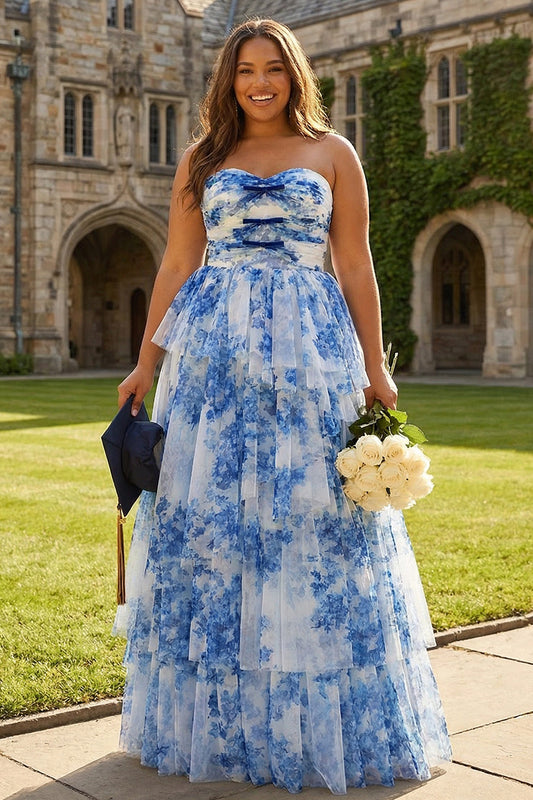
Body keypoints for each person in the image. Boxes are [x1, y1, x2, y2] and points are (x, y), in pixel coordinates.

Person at [114, 18, 451, 794]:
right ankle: (225, 731)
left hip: (311, 352)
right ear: (227, 81)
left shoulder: (333, 153)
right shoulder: (202, 158)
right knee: (214, 523)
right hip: (214, 358)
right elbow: (177, 260)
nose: (259, 82)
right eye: (244, 70)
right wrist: (146, 360)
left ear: (294, 75)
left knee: (314, 516)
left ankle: (320, 725)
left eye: (272, 68)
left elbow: (354, 263)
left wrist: (375, 366)